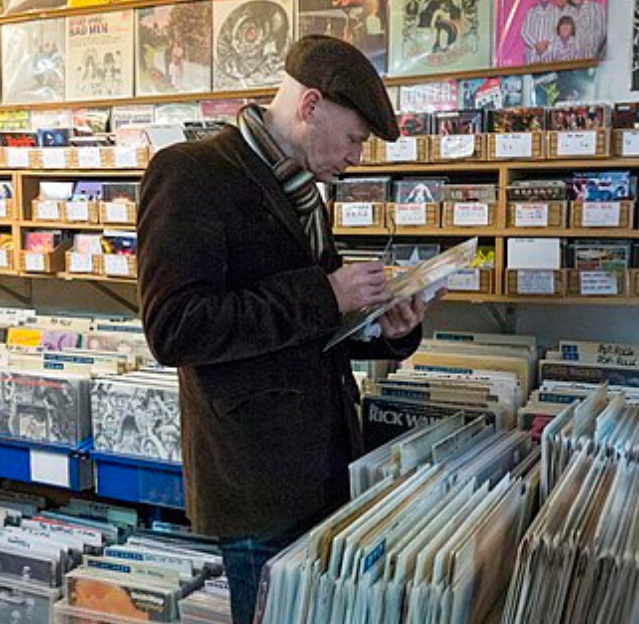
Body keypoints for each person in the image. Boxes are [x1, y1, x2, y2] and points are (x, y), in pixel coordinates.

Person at [137, 35, 429, 624]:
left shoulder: (302, 189)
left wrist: (388, 327)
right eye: (354, 139)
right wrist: (326, 293)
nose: (356, 158)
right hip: (256, 482)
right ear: (311, 105)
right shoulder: (190, 174)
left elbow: (316, 329)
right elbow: (175, 328)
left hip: (325, 468)